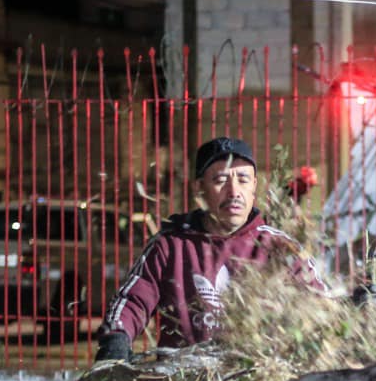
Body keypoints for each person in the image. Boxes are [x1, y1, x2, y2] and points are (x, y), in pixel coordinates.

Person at [94, 136, 330, 361]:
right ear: (199, 188)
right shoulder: (170, 245)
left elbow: (322, 303)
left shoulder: (279, 248)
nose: (234, 191)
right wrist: (116, 338)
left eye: (243, 180)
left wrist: (355, 307)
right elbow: (133, 299)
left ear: (254, 186)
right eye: (220, 180)